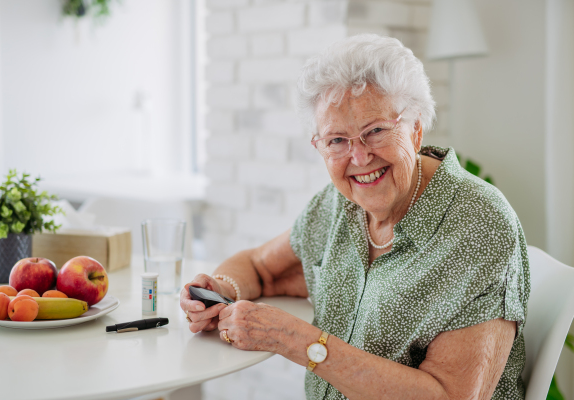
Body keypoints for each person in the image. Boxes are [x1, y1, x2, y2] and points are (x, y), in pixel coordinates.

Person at [180, 34, 529, 400]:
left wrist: (296, 340)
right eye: (336, 140)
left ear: (416, 128)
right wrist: (220, 290)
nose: (359, 158)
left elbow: (451, 396)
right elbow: (260, 267)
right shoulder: (339, 205)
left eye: (375, 131)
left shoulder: (478, 223)